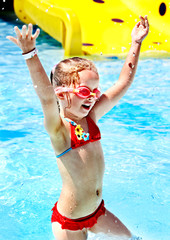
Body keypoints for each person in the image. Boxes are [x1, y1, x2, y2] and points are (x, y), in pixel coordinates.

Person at [7, 15, 149, 240]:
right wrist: (30, 54)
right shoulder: (59, 130)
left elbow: (123, 83)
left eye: (95, 91)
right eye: (85, 91)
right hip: (70, 224)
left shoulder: (91, 117)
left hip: (98, 212)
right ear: (61, 94)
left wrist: (136, 42)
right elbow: (45, 97)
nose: (92, 97)